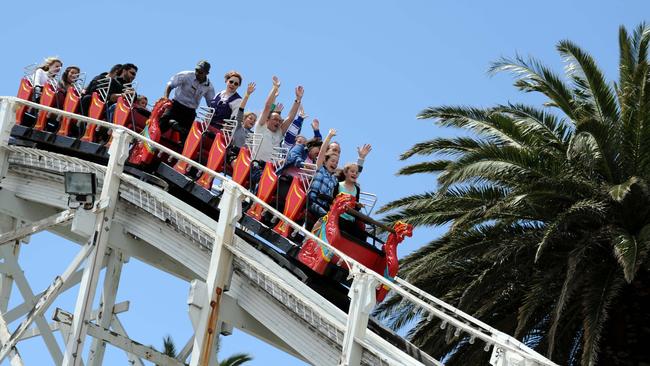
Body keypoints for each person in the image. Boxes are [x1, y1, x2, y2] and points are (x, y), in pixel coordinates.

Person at [250, 76, 304, 187]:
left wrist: (297, 100)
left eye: (280, 121)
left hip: (273, 169)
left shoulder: (279, 133)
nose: (278, 122)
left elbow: (290, 118)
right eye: (275, 119)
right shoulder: (261, 127)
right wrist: (275, 87)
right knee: (266, 182)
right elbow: (267, 106)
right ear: (267, 120)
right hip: (257, 166)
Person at [159, 60, 216, 140]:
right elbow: (170, 85)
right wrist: (166, 98)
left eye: (201, 72)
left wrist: (210, 116)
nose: (197, 73)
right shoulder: (186, 75)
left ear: (207, 73)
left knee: (187, 139)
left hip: (189, 112)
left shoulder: (209, 87)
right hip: (176, 106)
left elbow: (211, 104)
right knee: (161, 125)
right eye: (196, 70)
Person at [307, 129, 339, 223]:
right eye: (332, 161)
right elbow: (322, 152)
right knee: (327, 218)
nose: (335, 164)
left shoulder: (334, 179)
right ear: (326, 161)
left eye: (337, 162)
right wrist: (329, 136)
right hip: (312, 201)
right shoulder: (320, 168)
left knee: (334, 219)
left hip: (324, 205)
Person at [227, 82, 256, 168]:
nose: (253, 121)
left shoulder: (253, 134)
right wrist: (247, 94)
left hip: (245, 157)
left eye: (254, 120)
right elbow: (240, 110)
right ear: (244, 119)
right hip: (233, 153)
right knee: (239, 166)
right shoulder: (238, 126)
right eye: (250, 118)